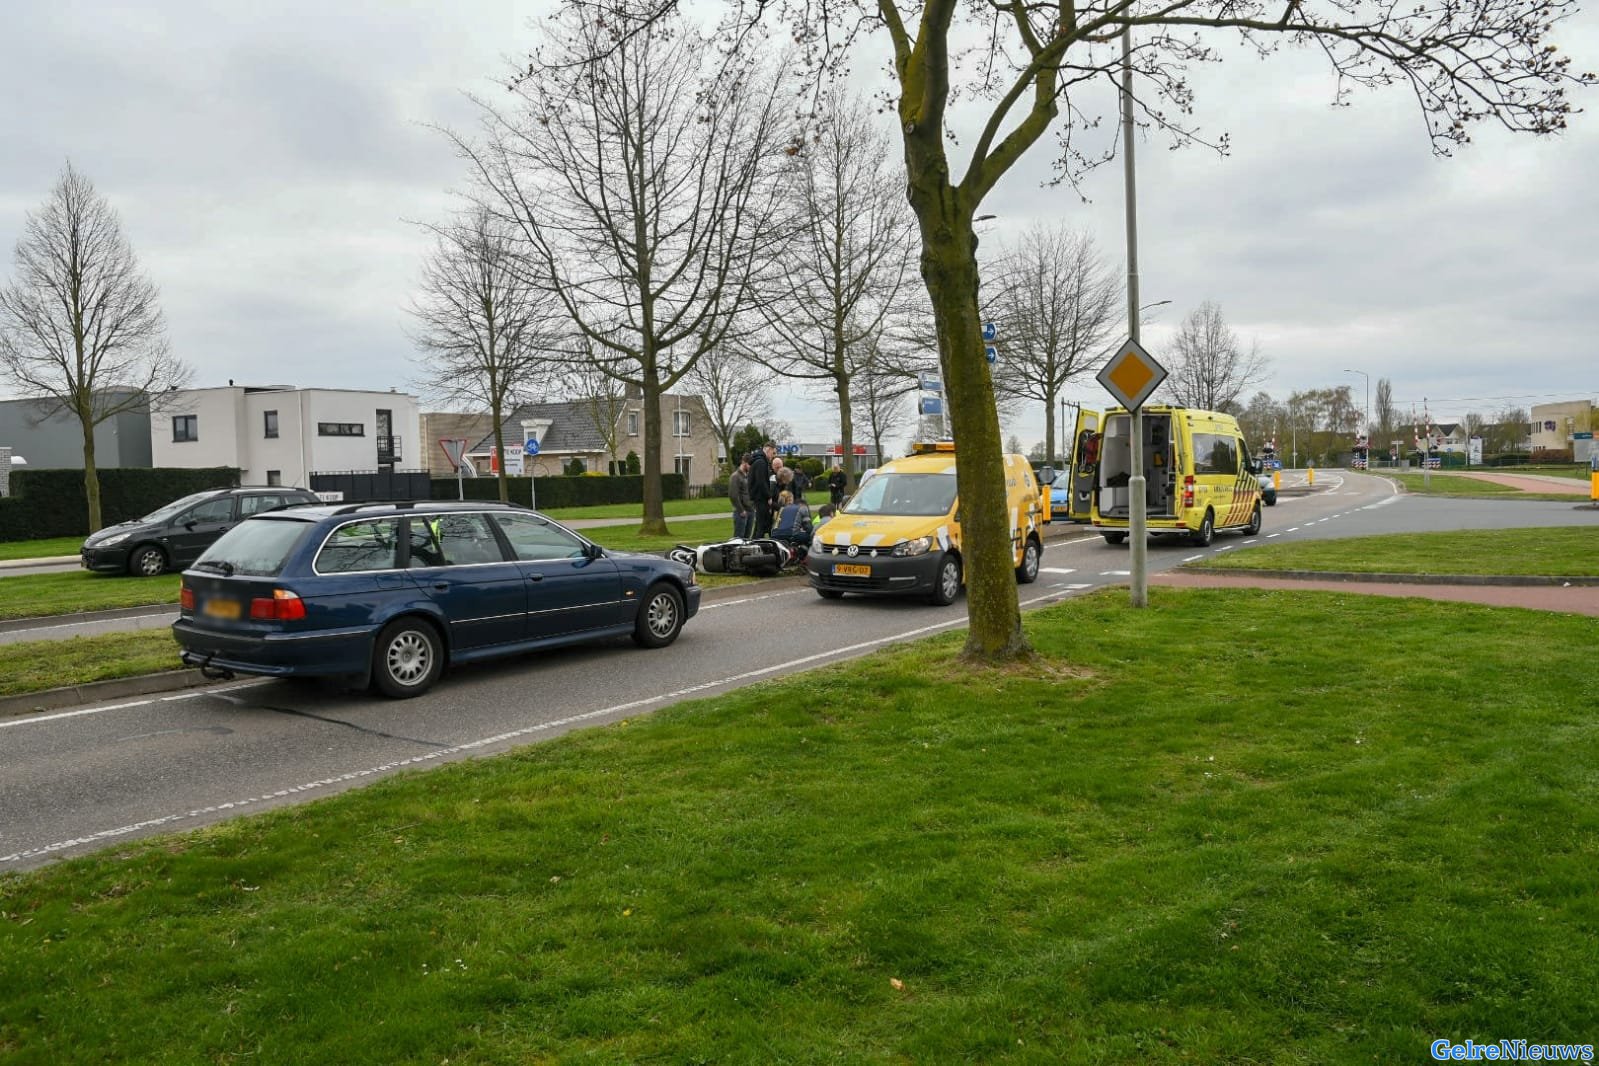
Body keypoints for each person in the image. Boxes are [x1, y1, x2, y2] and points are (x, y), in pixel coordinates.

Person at [749, 441, 776, 538]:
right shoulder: (761, 462)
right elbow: (761, 482)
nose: (773, 456)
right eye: (773, 453)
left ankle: (755, 541)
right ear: (768, 449)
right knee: (761, 526)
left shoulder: (758, 461)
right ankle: (757, 543)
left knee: (759, 526)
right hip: (761, 498)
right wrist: (768, 496)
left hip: (758, 497)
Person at [728, 457, 753, 539]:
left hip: (750, 510)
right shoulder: (735, 476)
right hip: (741, 512)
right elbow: (733, 495)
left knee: (747, 538)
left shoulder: (748, 476)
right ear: (744, 462)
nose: (750, 467)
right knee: (739, 539)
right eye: (749, 465)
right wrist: (741, 510)